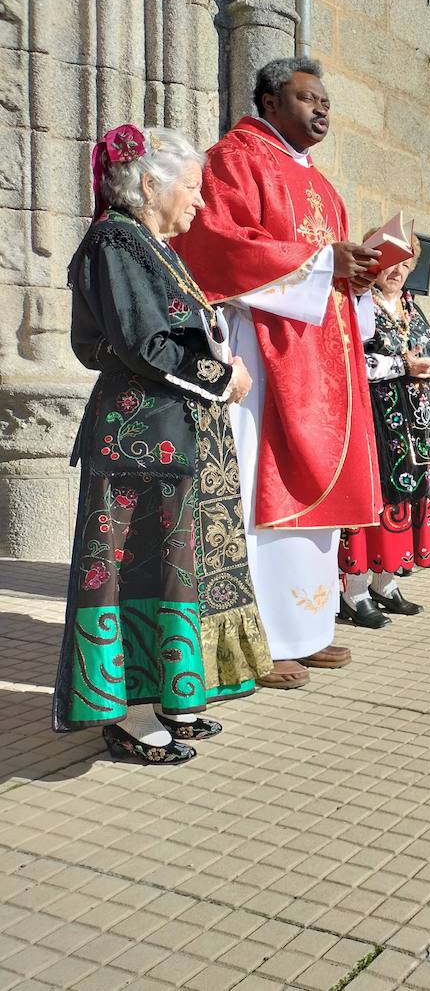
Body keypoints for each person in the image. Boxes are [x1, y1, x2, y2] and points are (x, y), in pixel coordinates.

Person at [54, 124, 269, 763]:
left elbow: (120, 339)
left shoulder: (147, 244)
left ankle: (169, 693)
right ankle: (127, 714)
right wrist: (221, 374)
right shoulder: (115, 241)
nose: (200, 204)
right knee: (132, 571)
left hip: (161, 436)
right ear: (150, 185)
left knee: (166, 568)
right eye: (193, 189)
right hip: (138, 442)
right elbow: (142, 343)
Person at [173, 56, 382, 690]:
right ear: (268, 100)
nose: (321, 110)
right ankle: (258, 640)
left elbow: (330, 267)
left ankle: (308, 630)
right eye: (306, 98)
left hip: (322, 358)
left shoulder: (320, 183)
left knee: (315, 492)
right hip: (264, 356)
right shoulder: (235, 159)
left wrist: (357, 275)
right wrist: (324, 262)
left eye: (326, 102)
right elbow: (213, 244)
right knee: (263, 495)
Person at [337, 229, 430, 628]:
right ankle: (355, 591)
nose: (398, 271)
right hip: (376, 426)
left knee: (410, 502)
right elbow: (351, 361)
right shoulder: (357, 305)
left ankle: (386, 583)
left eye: (406, 264)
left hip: (417, 428)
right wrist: (403, 366)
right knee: (375, 502)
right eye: (390, 263)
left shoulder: (411, 309)